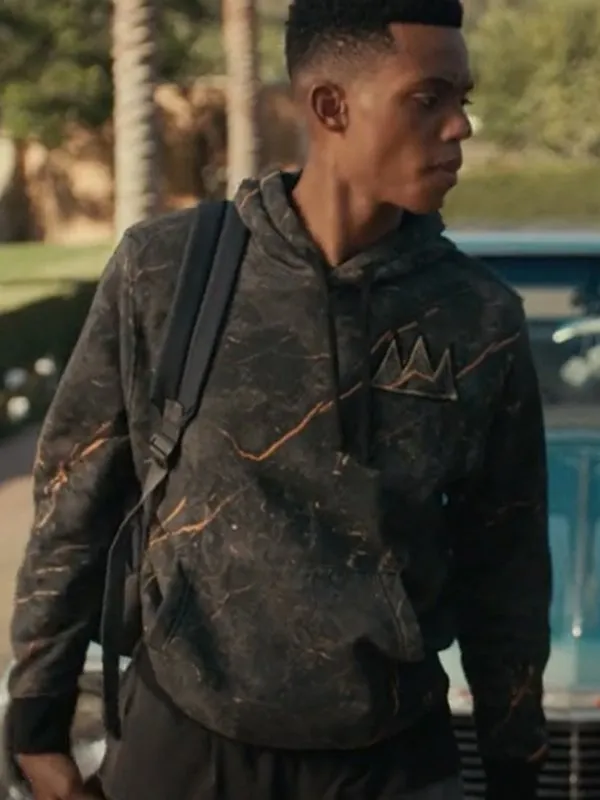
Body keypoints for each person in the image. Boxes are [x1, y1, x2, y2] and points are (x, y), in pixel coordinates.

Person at [7, 0, 552, 798]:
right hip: (186, 745)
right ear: (331, 106)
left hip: (391, 759)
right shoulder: (168, 271)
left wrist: (514, 766)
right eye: (428, 97)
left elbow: (507, 564)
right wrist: (36, 722)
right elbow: (74, 497)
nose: (460, 125)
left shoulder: (478, 316)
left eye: (461, 99)